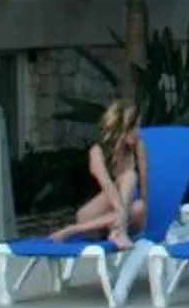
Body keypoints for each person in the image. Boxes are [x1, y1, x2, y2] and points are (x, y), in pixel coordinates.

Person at [51, 101, 144, 247]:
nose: (139, 132)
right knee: (129, 177)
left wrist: (139, 214)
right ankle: (119, 232)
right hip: (92, 216)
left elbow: (146, 187)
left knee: (140, 207)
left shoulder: (137, 147)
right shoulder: (97, 152)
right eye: (136, 127)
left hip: (121, 216)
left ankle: (73, 230)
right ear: (123, 130)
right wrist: (122, 215)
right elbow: (107, 186)